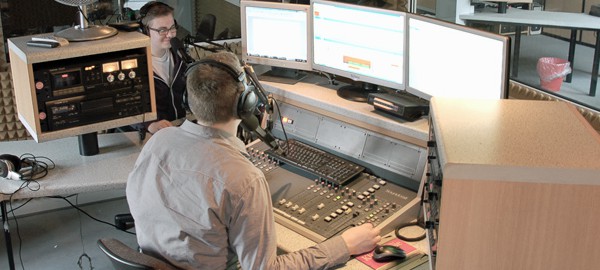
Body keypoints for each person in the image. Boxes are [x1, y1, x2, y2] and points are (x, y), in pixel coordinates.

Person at [126, 51, 382, 269]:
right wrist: (343, 245)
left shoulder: (158, 142)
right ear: (246, 103)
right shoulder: (244, 179)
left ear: (188, 98)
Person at [137, 1, 188, 134]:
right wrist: (149, 125)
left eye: (172, 28)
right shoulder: (136, 66)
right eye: (162, 30)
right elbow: (125, 105)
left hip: (179, 129)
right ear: (146, 31)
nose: (170, 35)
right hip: (152, 135)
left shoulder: (180, 56)